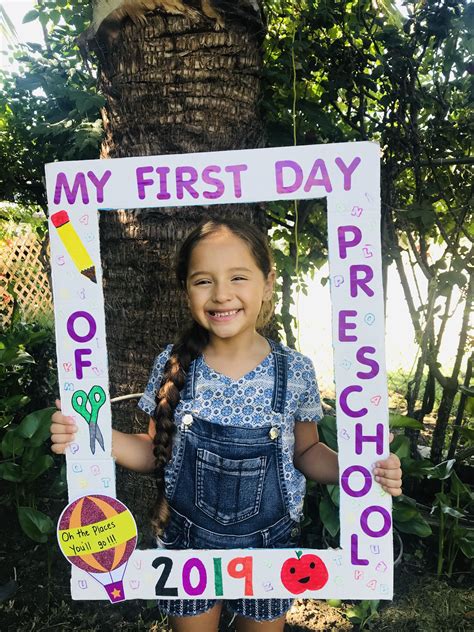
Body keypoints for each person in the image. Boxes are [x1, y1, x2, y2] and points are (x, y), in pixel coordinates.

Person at [51, 218, 402, 632]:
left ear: (268, 282)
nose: (221, 295)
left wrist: (361, 468)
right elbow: (153, 451)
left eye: (239, 277)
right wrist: (91, 436)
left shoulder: (295, 371)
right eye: (203, 281)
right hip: (188, 546)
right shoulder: (173, 364)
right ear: (186, 289)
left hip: (270, 546)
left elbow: (306, 452)